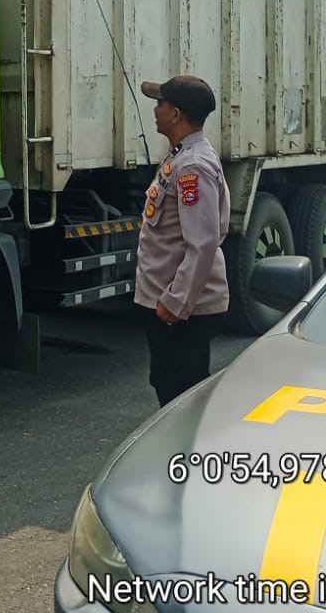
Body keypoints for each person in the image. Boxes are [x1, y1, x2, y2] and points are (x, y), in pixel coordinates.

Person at [134, 74, 231, 407]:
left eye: (160, 103)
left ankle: (189, 445)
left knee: (180, 398)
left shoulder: (192, 166)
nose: (155, 110)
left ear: (175, 114)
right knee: (170, 387)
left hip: (179, 313)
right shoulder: (182, 155)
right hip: (172, 307)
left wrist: (176, 302)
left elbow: (202, 243)